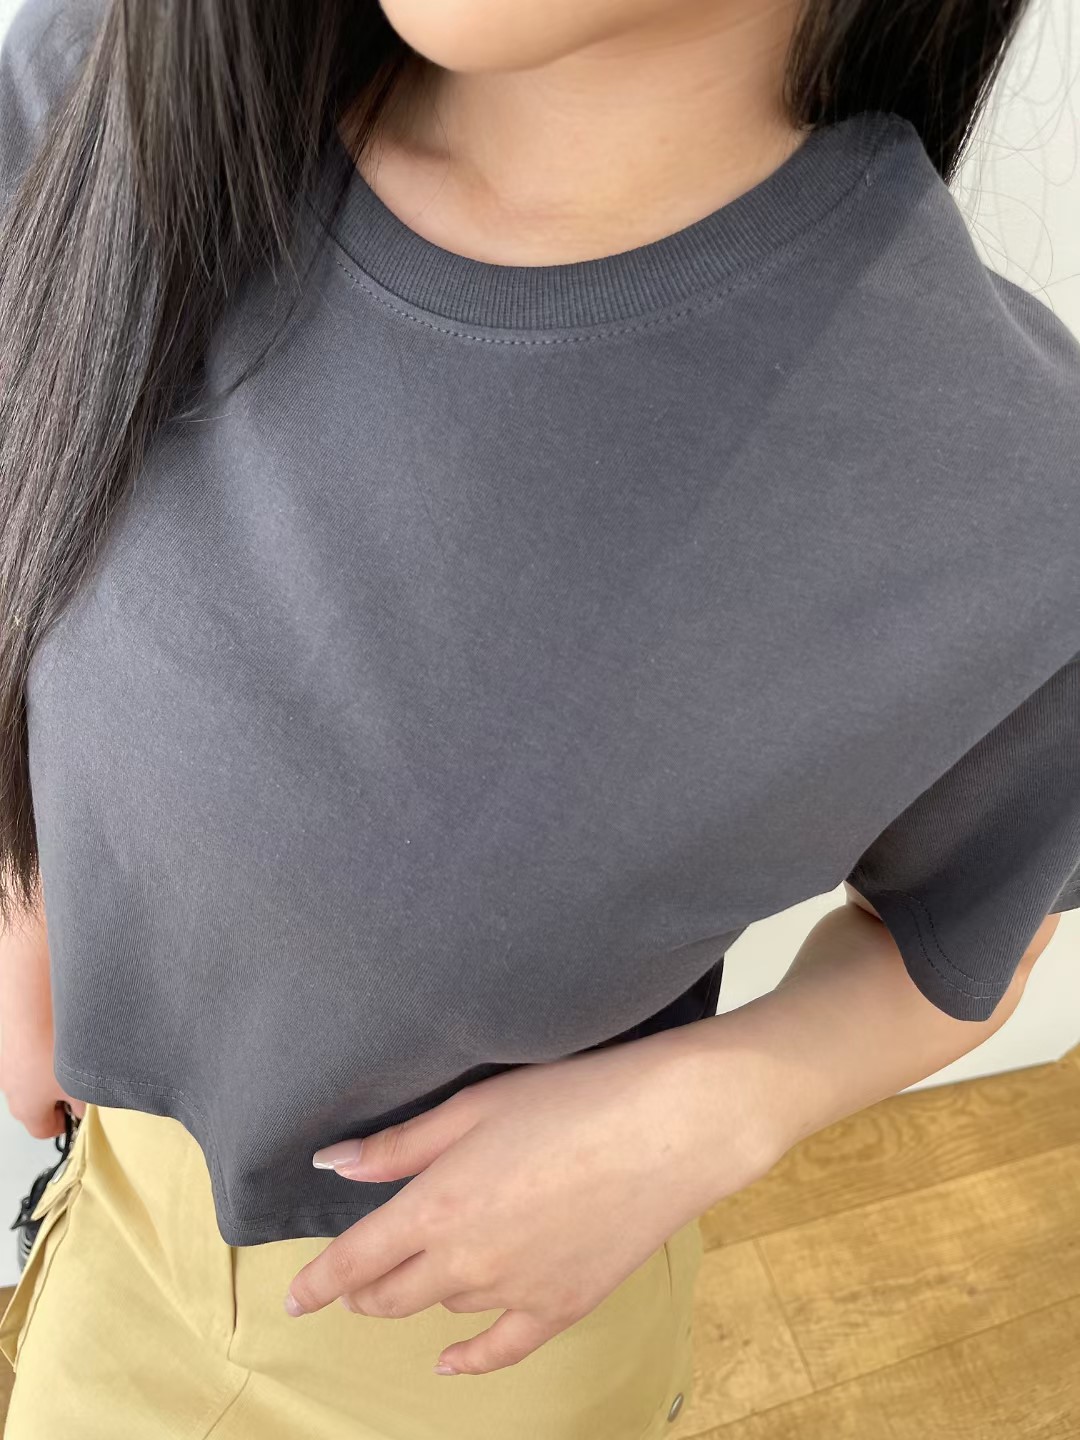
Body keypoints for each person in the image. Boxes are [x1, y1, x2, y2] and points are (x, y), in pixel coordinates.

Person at [0, 0, 1078, 1434]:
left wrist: (722, 1107)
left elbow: (968, 930)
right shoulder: (104, 83)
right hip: (105, 1206)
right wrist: (24, 892)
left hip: (467, 1329)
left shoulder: (995, 477)